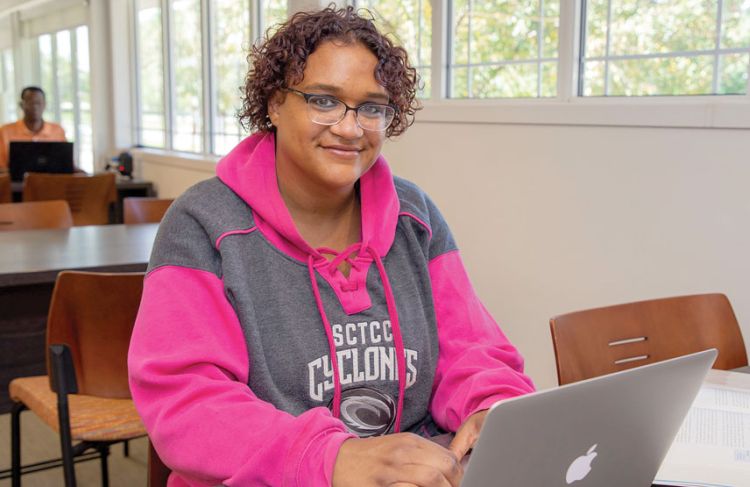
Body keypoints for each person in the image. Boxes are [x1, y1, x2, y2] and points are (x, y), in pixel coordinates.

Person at [128, 6, 535, 486]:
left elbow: (471, 350)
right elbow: (189, 405)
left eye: (372, 107)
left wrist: (494, 408)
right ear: (275, 103)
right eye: (324, 100)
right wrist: (332, 458)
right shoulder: (204, 224)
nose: (349, 127)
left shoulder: (415, 217)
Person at [0, 86, 66, 171]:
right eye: (30, 102)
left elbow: (66, 164)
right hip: (16, 183)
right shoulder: (5, 131)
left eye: (38, 103)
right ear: (21, 105)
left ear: (45, 105)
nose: (35, 106)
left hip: (52, 182)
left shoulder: (57, 131)